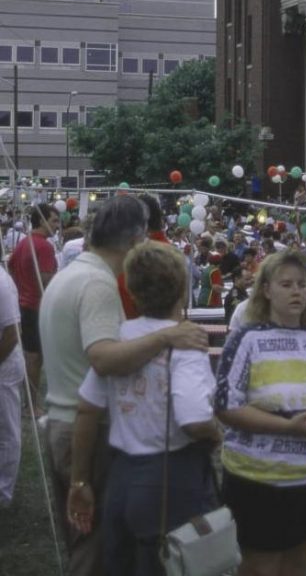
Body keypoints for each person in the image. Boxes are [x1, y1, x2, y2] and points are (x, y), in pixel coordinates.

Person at [39, 195, 208, 576]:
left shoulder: (71, 274)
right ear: (136, 241)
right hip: (86, 430)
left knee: (85, 537)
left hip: (65, 421)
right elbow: (103, 358)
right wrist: (166, 338)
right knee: (94, 547)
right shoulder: (97, 284)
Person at [67, 242, 221, 575]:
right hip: (171, 477)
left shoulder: (119, 340)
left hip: (121, 477)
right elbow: (194, 419)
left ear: (133, 292)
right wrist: (216, 434)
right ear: (182, 289)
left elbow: (87, 410)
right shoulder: (186, 341)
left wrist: (80, 480)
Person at [216, 249, 306, 576]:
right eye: (286, 284)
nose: (297, 291)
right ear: (266, 290)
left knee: (297, 567)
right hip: (258, 478)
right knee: (260, 567)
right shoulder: (246, 339)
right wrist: (286, 427)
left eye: (302, 284)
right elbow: (225, 406)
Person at [8, 203, 59, 412]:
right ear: (42, 220)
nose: (57, 225)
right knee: (35, 357)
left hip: (22, 305)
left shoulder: (23, 242)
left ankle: (27, 402)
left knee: (30, 355)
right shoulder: (45, 246)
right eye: (54, 220)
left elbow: (10, 266)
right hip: (38, 306)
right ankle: (31, 406)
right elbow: (46, 279)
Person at [0, 263, 24, 507]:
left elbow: (12, 332)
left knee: (7, 430)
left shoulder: (2, 282)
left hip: (4, 364)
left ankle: (3, 491)